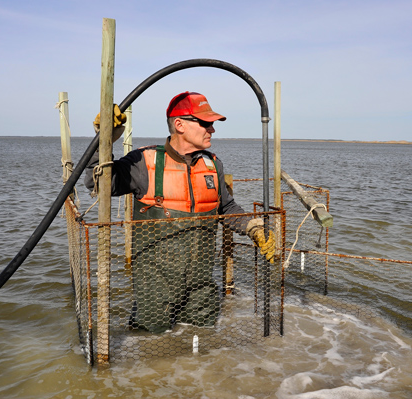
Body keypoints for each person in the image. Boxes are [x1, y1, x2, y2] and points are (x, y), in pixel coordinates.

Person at [85, 91, 275, 333]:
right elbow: (99, 183)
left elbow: (226, 208)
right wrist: (104, 140)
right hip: (155, 287)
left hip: (201, 286)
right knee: (149, 343)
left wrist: (253, 227)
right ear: (179, 124)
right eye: (206, 123)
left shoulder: (212, 164)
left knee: (203, 339)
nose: (212, 130)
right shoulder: (144, 161)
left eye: (213, 124)